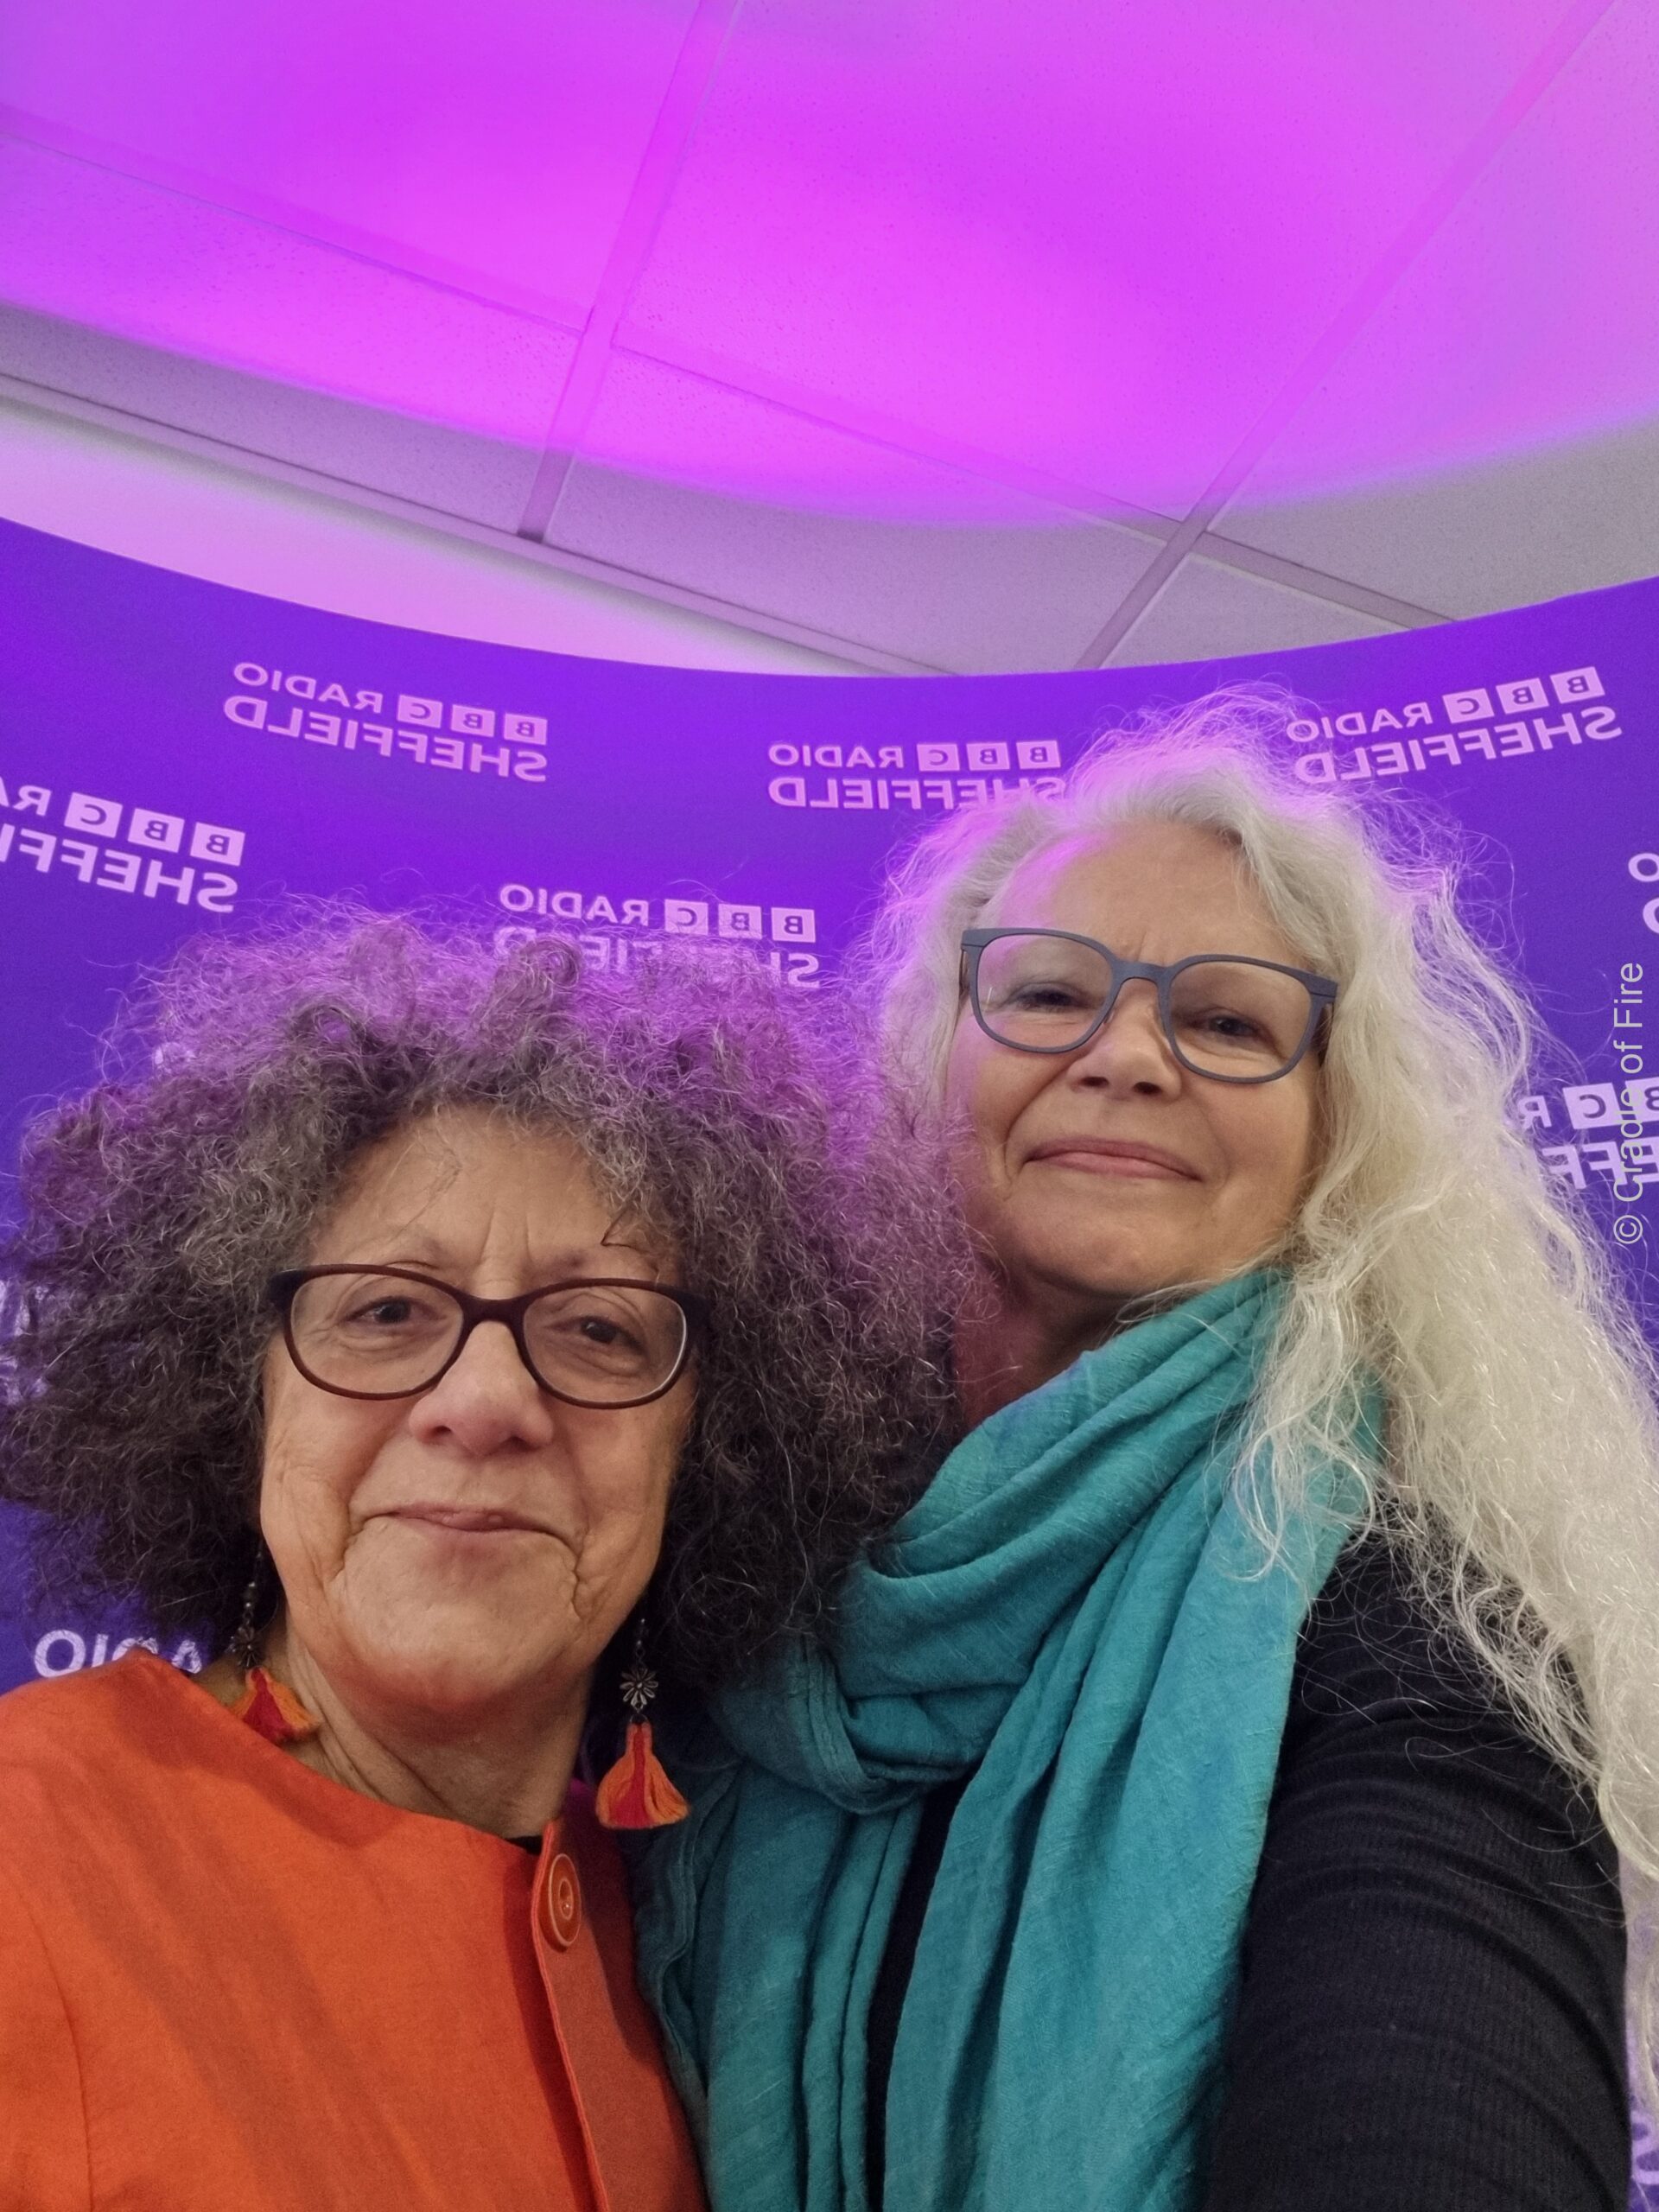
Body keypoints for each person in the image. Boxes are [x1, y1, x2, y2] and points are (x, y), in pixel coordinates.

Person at [629, 695, 1658, 2212]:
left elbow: (1440, 2072)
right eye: (1049, 994)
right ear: (934, 1061)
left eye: (1230, 1022)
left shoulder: (1413, 1617)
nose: (1126, 1055)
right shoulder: (734, 1532)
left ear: (1335, 1134)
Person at [0, 913, 951, 2212]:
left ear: (716, 1447)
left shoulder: (701, 1951)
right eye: (387, 1310)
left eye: (601, 1331)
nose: (487, 1400)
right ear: (238, 1398)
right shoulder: (32, 1843)